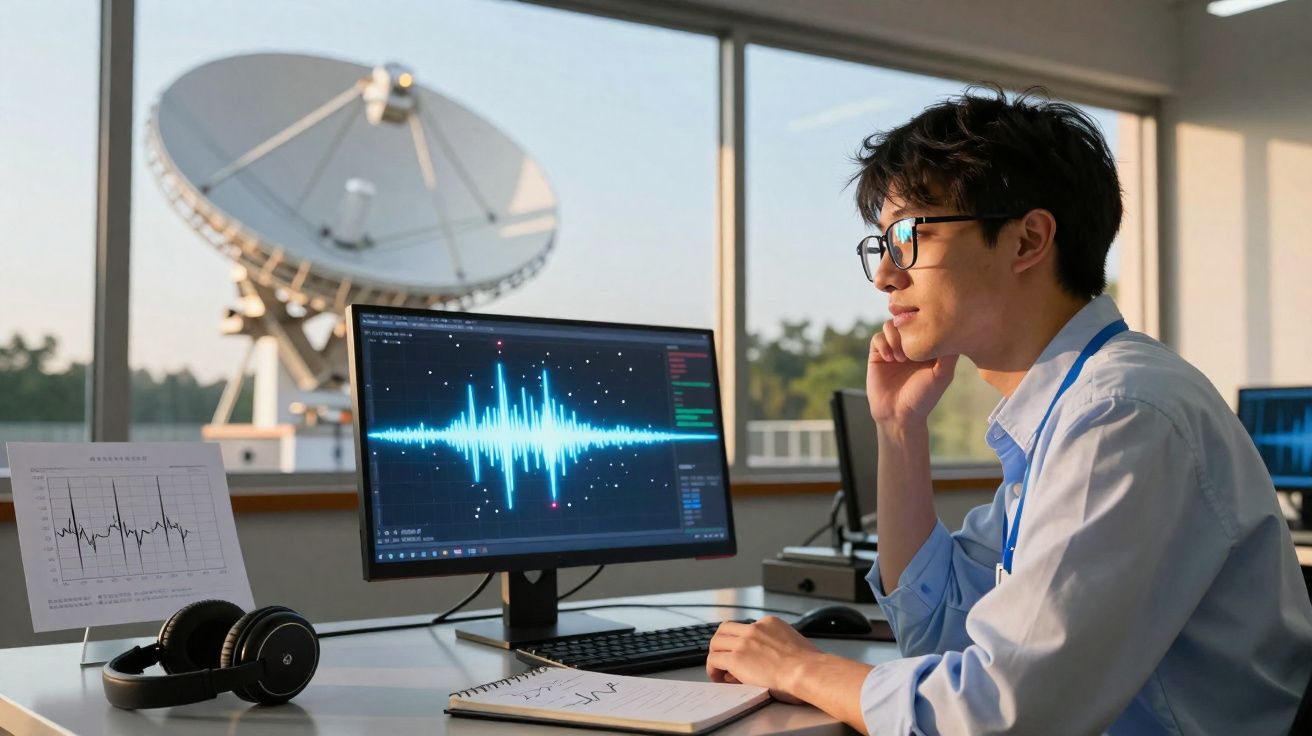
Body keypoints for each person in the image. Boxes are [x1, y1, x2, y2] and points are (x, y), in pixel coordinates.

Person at [707, 87, 1312, 734]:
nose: (884, 274)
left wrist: (802, 668)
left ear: (1027, 240)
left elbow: (1001, 717)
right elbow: (939, 627)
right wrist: (898, 430)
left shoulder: (1122, 416)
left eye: (909, 236)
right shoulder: (1070, 410)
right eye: (879, 244)